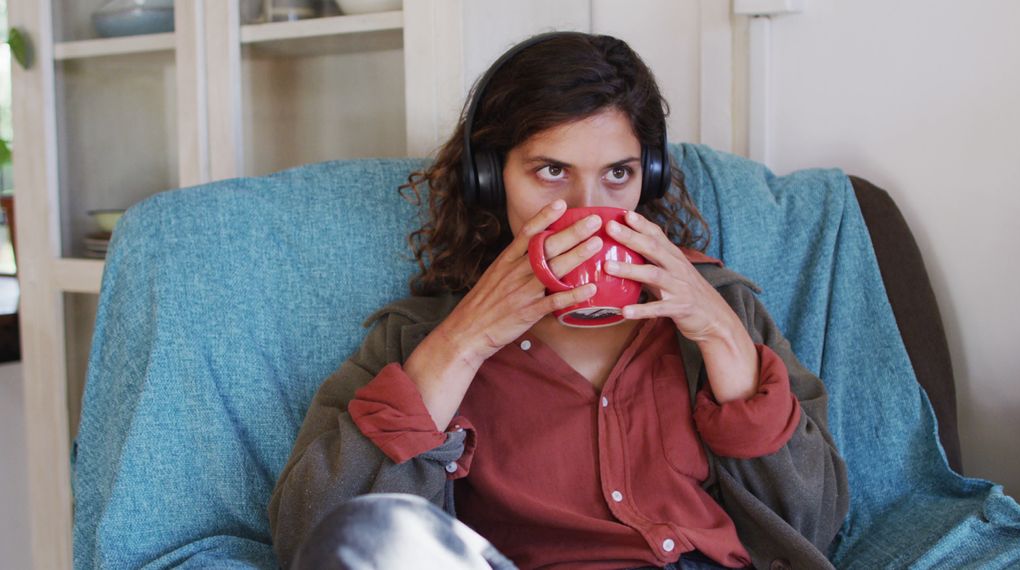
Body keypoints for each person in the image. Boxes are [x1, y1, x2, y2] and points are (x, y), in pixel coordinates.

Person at [269, 31, 849, 570]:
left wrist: (722, 338)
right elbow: (322, 539)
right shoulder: (418, 338)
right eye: (551, 170)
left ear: (648, 176)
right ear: (490, 179)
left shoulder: (718, 307)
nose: (584, 209)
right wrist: (463, 343)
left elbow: (812, 528)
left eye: (618, 173)